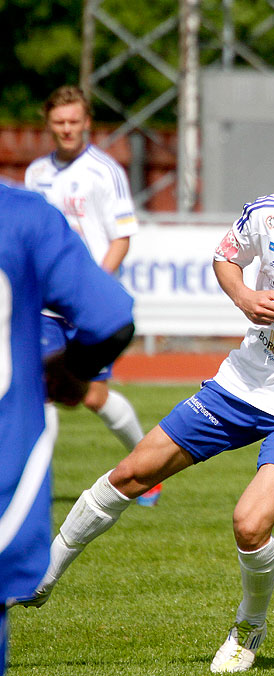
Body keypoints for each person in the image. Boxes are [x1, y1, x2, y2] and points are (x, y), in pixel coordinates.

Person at [14, 123, 274, 673]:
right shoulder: (269, 216)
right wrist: (243, 295)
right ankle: (43, 577)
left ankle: (249, 627)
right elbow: (227, 257)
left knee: (249, 523)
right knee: (128, 476)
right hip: (242, 385)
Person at [0, 180, 135, 676]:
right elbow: (112, 318)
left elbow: (121, 235)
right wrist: (71, 369)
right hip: (5, 491)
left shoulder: (100, 171)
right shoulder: (21, 213)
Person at [24, 85, 161, 506]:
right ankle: (30, 488)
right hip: (45, 306)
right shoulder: (35, 174)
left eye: (74, 121)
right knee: (38, 388)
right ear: (49, 124)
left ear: (87, 123)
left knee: (94, 396)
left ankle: (149, 469)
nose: (66, 129)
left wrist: (92, 286)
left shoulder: (105, 172)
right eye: (59, 122)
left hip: (85, 306)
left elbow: (121, 235)